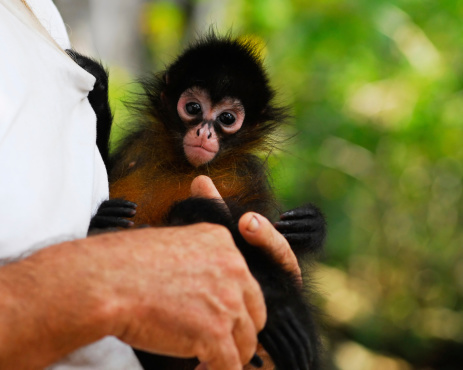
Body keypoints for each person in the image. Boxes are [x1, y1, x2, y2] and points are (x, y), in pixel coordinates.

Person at [0, 1, 300, 369]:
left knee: (199, 212)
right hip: (124, 335)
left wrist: (301, 240)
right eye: (194, 110)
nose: (205, 131)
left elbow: (262, 252)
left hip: (197, 337)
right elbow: (103, 195)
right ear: (167, 98)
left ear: (252, 127)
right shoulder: (142, 148)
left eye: (226, 119)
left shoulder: (243, 176)